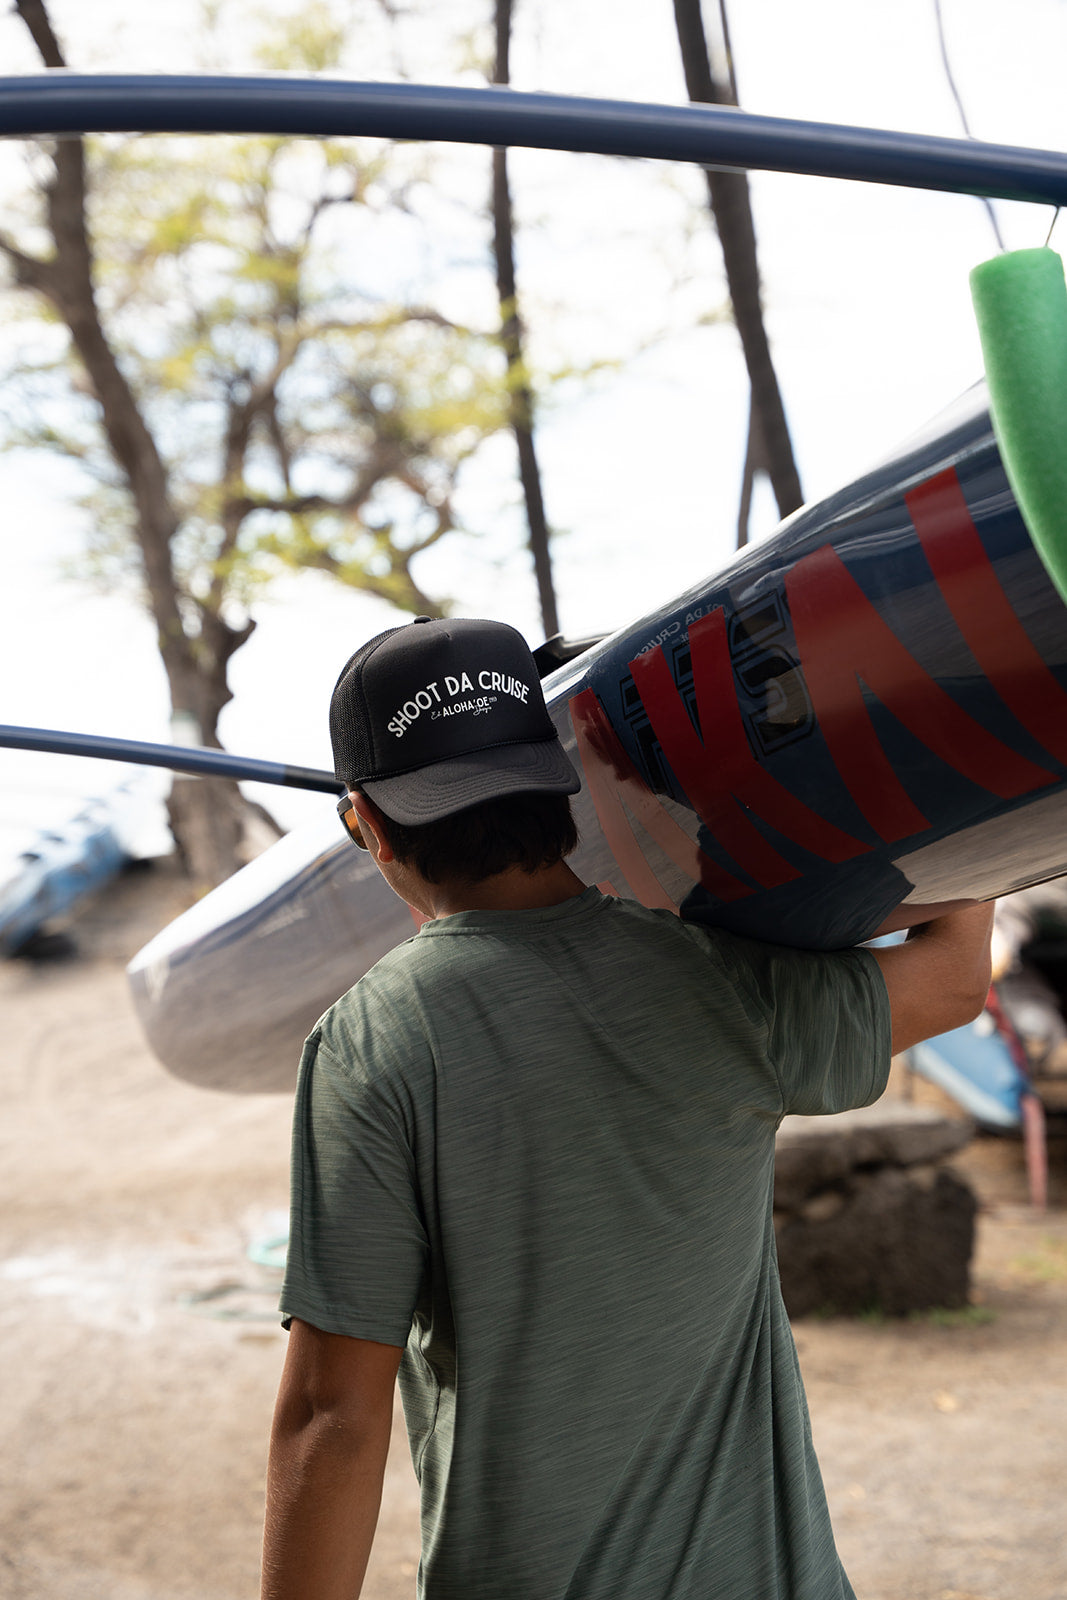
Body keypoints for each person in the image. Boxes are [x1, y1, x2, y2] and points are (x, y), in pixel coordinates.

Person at [261, 615, 994, 1600]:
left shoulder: (374, 1044)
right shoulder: (717, 981)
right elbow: (951, 977)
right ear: (556, 782)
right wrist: (959, 782)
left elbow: (332, 1415)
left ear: (367, 824)